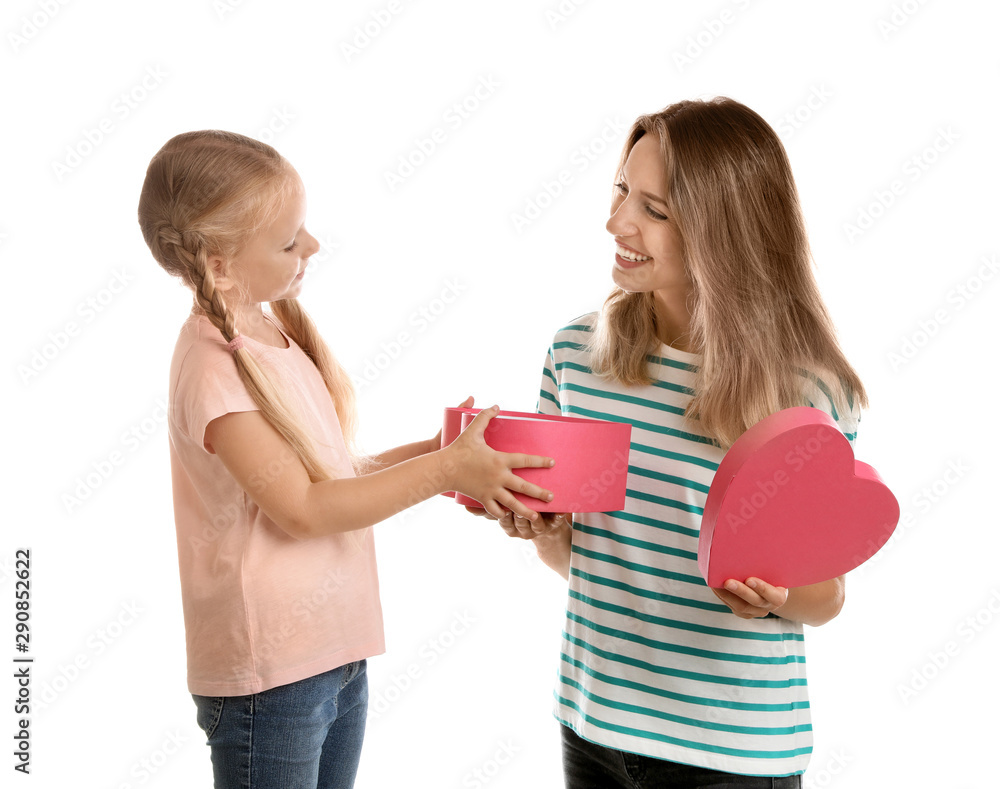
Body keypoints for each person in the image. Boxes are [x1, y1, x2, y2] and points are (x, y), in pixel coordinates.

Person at [137, 130, 555, 789]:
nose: (312, 246)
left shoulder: (273, 336)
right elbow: (304, 510)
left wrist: (440, 451)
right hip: (269, 675)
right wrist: (444, 472)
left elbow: (333, 479)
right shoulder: (212, 367)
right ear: (219, 264)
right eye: (288, 240)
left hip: (334, 655)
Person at [473, 98, 867, 787]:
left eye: (654, 210)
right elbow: (582, 561)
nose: (615, 221)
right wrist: (538, 526)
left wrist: (774, 594)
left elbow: (826, 596)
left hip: (732, 752)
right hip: (592, 722)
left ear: (726, 230)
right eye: (621, 191)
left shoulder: (804, 393)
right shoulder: (576, 356)